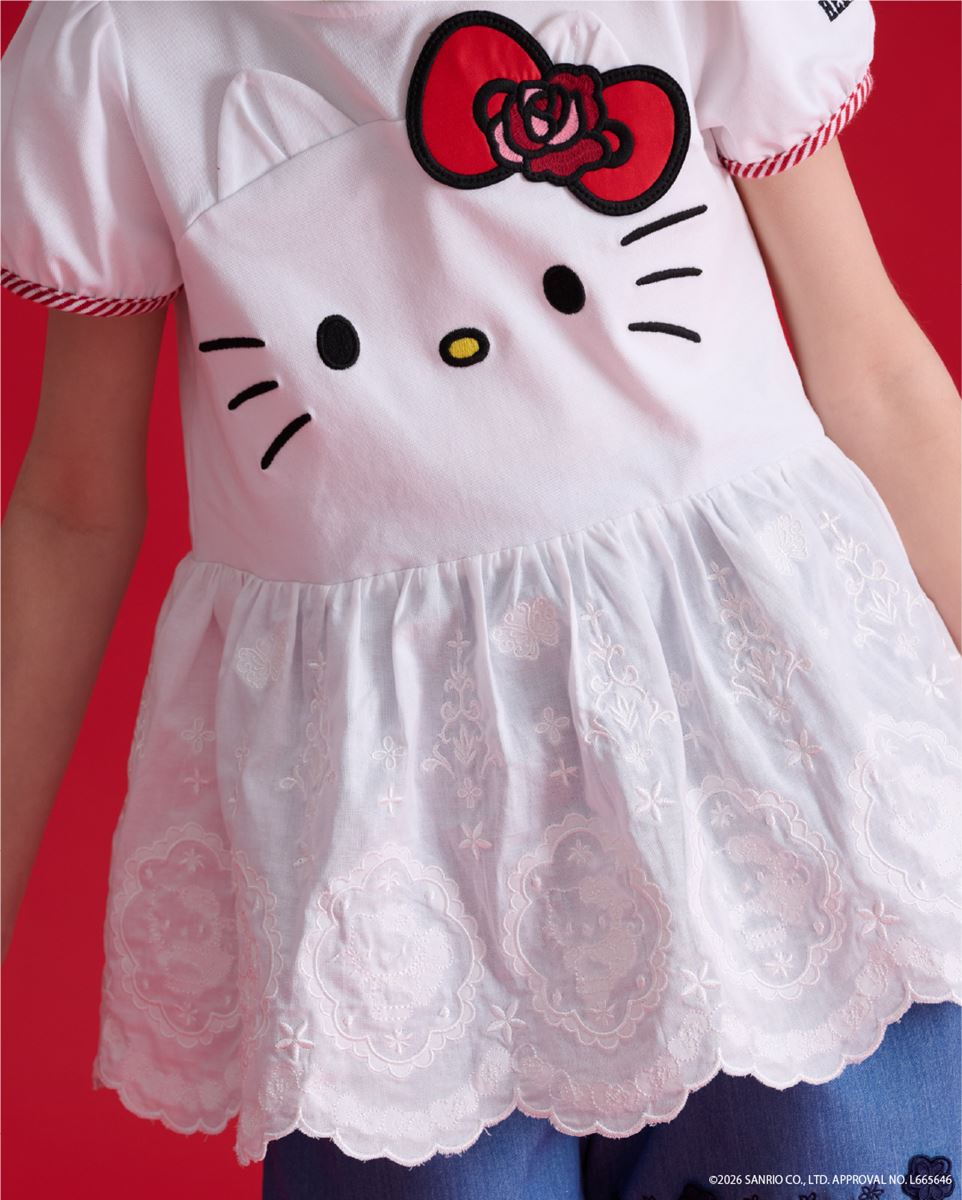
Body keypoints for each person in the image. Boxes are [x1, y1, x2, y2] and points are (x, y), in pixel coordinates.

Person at [2, 2, 959, 1198]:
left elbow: (871, 370)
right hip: (396, 848)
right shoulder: (116, 47)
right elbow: (72, 509)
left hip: (769, 777)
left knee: (827, 1151)